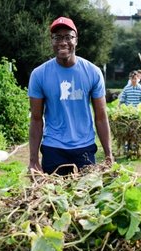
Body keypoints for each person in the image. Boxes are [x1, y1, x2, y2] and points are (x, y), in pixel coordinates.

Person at [27, 16, 113, 175]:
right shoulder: (39, 75)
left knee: (85, 197)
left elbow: (101, 117)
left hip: (84, 148)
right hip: (53, 149)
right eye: (57, 37)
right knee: (53, 198)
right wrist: (33, 160)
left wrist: (108, 154)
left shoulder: (92, 72)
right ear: (51, 41)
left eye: (68, 37)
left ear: (76, 40)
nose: (62, 42)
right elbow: (36, 119)